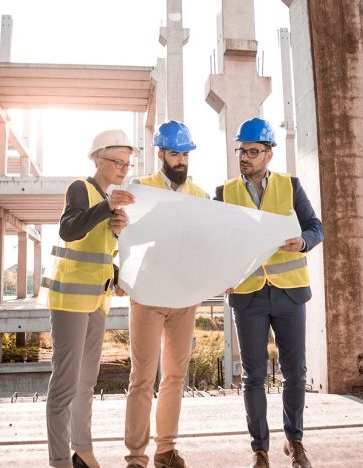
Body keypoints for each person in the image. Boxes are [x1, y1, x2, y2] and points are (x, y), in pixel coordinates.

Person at [214, 118, 324, 468]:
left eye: (252, 151)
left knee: (295, 372)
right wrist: (222, 274)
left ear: (269, 154)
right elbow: (215, 242)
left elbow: (315, 227)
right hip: (248, 296)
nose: (244, 157)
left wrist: (302, 242)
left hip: (289, 293)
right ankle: (259, 449)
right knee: (254, 377)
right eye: (241, 151)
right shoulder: (224, 192)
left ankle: (295, 442)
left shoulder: (290, 186)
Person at [41, 129, 136, 468]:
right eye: (117, 161)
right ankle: (58, 461)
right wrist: (106, 207)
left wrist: (117, 272)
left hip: (97, 300)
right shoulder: (80, 188)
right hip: (69, 301)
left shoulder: (108, 199)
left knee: (86, 381)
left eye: (127, 163)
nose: (123, 168)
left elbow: (97, 253)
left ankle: (82, 450)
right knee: (65, 383)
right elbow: (69, 230)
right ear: (98, 159)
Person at [124, 120, 208, 468]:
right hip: (147, 295)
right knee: (142, 377)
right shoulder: (140, 188)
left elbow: (207, 245)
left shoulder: (200, 196)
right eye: (175, 153)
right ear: (161, 154)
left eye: (186, 154)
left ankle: (165, 450)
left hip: (184, 297)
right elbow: (124, 236)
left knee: (174, 376)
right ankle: (136, 456)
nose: (181, 161)